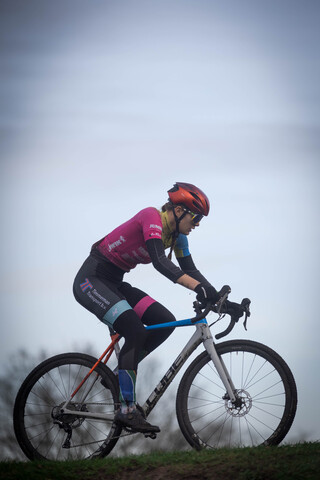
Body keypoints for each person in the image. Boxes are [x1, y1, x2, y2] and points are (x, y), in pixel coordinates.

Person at [73, 182, 228, 433]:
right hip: (91, 279)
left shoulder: (178, 237)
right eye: (196, 216)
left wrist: (217, 297)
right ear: (178, 211)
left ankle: (117, 376)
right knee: (134, 330)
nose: (198, 223)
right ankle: (127, 410)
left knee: (164, 321)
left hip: (114, 282)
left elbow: (190, 270)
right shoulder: (151, 217)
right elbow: (160, 263)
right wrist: (199, 289)